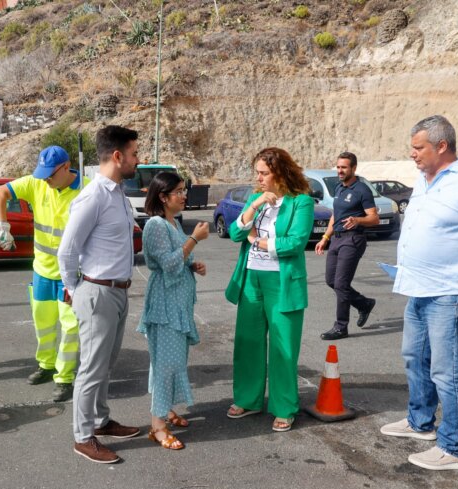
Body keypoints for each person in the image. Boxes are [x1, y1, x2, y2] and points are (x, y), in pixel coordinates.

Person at [380, 115, 458, 470]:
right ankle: (420, 423)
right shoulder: (425, 180)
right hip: (419, 287)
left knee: (447, 370)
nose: (412, 154)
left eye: (418, 147)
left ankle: (454, 448)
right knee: (414, 357)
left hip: (452, 291)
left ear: (442, 146)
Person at [58, 125, 141, 464]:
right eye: (135, 153)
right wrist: (77, 290)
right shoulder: (93, 196)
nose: (139, 159)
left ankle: (100, 421)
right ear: (118, 156)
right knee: (91, 368)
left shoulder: (117, 193)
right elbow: (67, 251)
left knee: (106, 364)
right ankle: (82, 437)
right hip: (97, 292)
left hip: (118, 292)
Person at [224, 147, 314, 432]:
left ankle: (284, 406)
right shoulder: (256, 199)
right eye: (257, 173)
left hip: (282, 282)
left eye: (264, 173)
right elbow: (235, 232)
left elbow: (295, 243)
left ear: (280, 172)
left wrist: (258, 242)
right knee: (248, 342)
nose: (259, 178)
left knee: (283, 346)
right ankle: (248, 400)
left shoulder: (301, 202)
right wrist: (254, 205)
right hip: (251, 278)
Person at [0, 146, 85, 402]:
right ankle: (46, 365)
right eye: (42, 175)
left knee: (70, 328)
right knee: (43, 324)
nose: (45, 180)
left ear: (66, 167)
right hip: (42, 271)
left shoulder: (86, 191)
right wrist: (2, 225)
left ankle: (65, 378)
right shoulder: (36, 183)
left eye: (50, 175)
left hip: (72, 275)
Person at [137, 172, 209, 451]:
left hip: (177, 305)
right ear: (163, 197)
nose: (184, 195)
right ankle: (157, 427)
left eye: (184, 190)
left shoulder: (172, 224)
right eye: (178, 191)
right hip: (165, 307)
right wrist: (194, 239)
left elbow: (178, 258)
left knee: (171, 362)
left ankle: (166, 411)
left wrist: (193, 265)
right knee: (165, 364)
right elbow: (166, 264)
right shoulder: (156, 224)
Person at [314, 152, 379, 340]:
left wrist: (358, 219)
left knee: (341, 284)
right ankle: (363, 304)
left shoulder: (362, 190)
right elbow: (336, 215)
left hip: (353, 240)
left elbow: (374, 218)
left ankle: (341, 327)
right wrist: (325, 238)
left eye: (344, 167)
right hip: (336, 239)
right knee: (331, 281)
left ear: (354, 168)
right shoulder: (340, 188)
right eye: (338, 167)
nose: (340, 171)